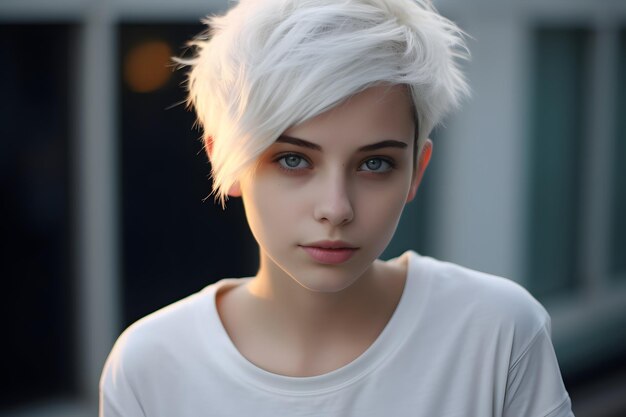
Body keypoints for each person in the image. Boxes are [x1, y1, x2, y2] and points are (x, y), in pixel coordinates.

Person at [100, 0, 574, 416]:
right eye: (293, 159)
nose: (336, 209)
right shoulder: (151, 365)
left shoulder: (497, 334)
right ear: (226, 158)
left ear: (416, 171)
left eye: (374, 163)